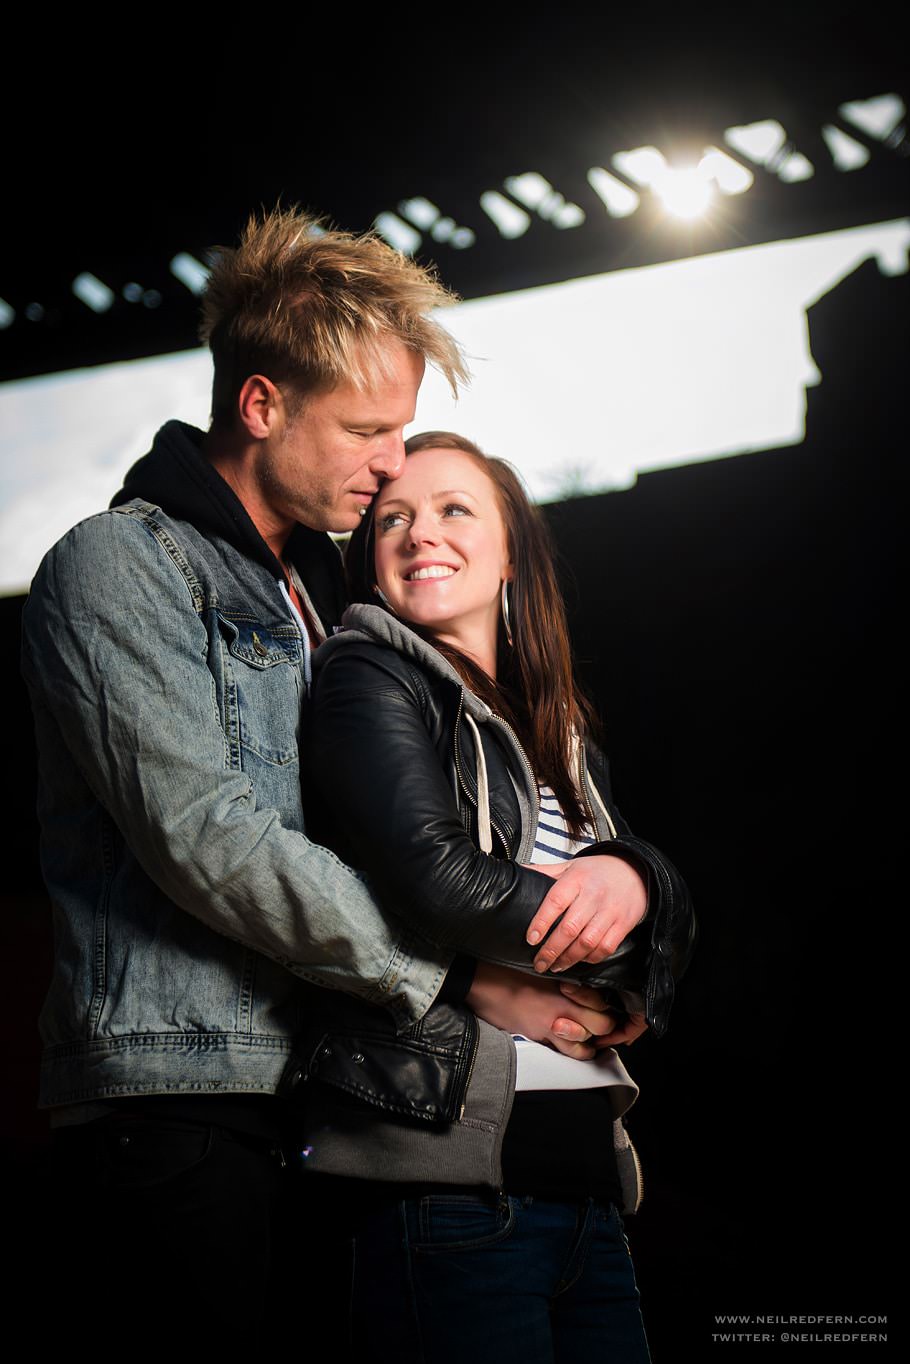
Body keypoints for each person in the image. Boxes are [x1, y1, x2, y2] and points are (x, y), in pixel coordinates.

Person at [19, 209, 675, 1325]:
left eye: (404, 429)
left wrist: (639, 880)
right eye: (369, 429)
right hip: (185, 1100)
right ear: (261, 404)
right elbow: (212, 839)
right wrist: (462, 979)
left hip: (326, 1101)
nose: (393, 462)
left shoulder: (332, 596)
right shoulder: (116, 565)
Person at [297, 430, 695, 1362]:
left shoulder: (558, 736)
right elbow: (437, 881)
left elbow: (665, 924)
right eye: (392, 517)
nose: (417, 533)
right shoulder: (370, 675)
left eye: (452, 510)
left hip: (584, 1187)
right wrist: (630, 927)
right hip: (451, 1189)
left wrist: (638, 879)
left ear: (510, 545)